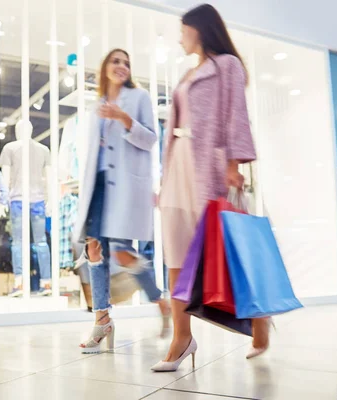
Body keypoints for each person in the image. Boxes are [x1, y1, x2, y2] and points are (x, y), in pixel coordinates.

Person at [151, 4, 263, 372]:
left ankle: (260, 321)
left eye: (183, 30)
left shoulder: (227, 65)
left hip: (207, 168)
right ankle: (182, 337)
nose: (180, 37)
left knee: (227, 250)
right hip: (177, 168)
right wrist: (164, 180)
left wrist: (233, 163)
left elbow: (236, 114)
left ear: (198, 29)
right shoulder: (187, 73)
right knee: (175, 254)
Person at [73, 48, 171, 354]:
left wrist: (124, 119)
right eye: (116, 61)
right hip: (98, 185)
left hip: (125, 187)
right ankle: (101, 320)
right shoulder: (96, 106)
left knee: (123, 254)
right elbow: (93, 153)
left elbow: (151, 138)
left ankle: (160, 300)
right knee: (93, 250)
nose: (122, 66)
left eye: (126, 62)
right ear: (104, 68)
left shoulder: (139, 98)